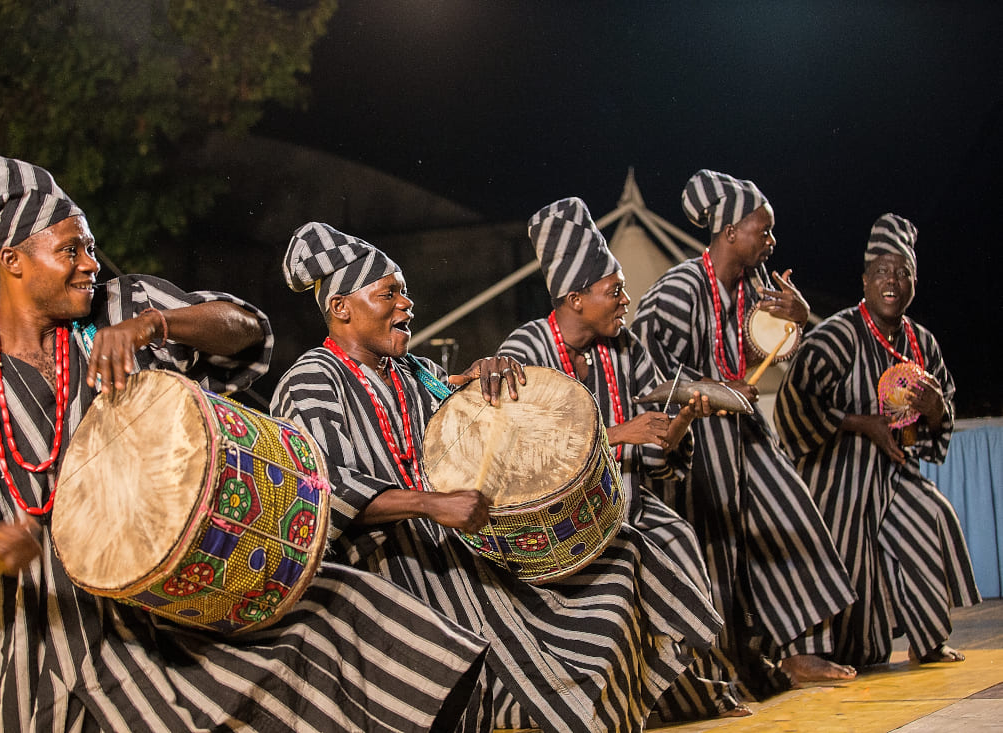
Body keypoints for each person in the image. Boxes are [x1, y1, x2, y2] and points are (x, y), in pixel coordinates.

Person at [0, 156, 489, 732]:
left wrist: (156, 325)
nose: (89, 264)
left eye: (90, 247)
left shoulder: (122, 306)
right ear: (12, 260)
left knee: (343, 607)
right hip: (35, 644)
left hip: (168, 615)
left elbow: (246, 329)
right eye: (70, 250)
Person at [269, 222, 722, 733]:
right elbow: (321, 491)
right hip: (393, 572)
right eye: (389, 293)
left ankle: (632, 701)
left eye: (405, 291)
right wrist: (430, 505)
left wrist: (483, 380)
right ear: (341, 308)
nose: (407, 304)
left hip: (456, 548)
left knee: (623, 553)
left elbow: (466, 419)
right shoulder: (311, 381)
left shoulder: (411, 372)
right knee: (513, 668)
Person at [498, 196, 751, 722]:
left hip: (627, 501)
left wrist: (680, 424)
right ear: (575, 298)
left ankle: (688, 694)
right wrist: (618, 434)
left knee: (677, 539)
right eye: (614, 291)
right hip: (557, 525)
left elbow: (658, 450)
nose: (626, 300)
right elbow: (521, 452)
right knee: (625, 577)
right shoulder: (525, 350)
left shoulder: (625, 347)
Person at [630, 169, 858, 697]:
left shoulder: (756, 291)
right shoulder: (680, 287)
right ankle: (722, 669)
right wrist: (713, 387)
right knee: (717, 551)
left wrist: (799, 321)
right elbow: (644, 370)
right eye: (764, 229)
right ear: (730, 231)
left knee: (793, 514)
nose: (772, 241)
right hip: (698, 439)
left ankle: (799, 649)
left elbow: (776, 354)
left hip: (746, 432)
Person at [774, 213, 980, 667]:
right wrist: (861, 423)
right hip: (835, 474)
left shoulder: (921, 343)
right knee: (841, 542)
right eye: (882, 270)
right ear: (865, 280)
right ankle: (822, 652)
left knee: (932, 515)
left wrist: (935, 410)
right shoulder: (837, 335)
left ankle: (929, 640)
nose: (892, 280)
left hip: (892, 473)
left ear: (914, 283)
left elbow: (941, 413)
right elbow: (795, 404)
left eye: (903, 272)